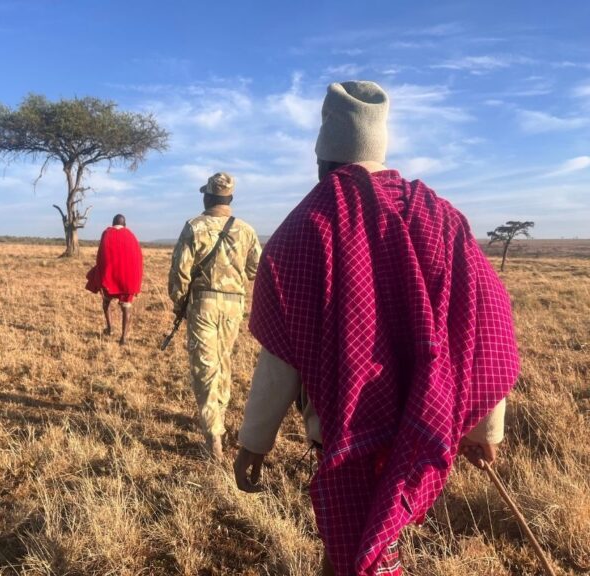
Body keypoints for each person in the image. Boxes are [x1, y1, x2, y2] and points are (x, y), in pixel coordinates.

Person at [232, 81, 519, 575]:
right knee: (376, 542)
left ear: (323, 156)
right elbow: (480, 325)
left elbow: (280, 354)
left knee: (344, 551)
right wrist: (484, 427)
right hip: (424, 424)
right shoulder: (443, 219)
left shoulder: (306, 225)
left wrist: (255, 441)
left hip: (341, 436)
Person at [169, 172, 262, 461]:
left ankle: (214, 437)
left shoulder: (194, 227)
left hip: (204, 304)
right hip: (234, 305)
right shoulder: (246, 230)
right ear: (229, 199)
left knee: (205, 367)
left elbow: (179, 273)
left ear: (208, 197)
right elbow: (256, 268)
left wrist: (179, 303)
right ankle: (219, 419)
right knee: (222, 362)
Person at [85, 214, 143, 345]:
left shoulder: (107, 233)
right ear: (125, 224)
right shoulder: (131, 235)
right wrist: (136, 282)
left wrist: (100, 275)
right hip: (128, 280)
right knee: (126, 308)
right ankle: (123, 338)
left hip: (110, 278)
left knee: (106, 302)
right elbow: (138, 259)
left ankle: (110, 328)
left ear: (112, 223)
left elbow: (101, 256)